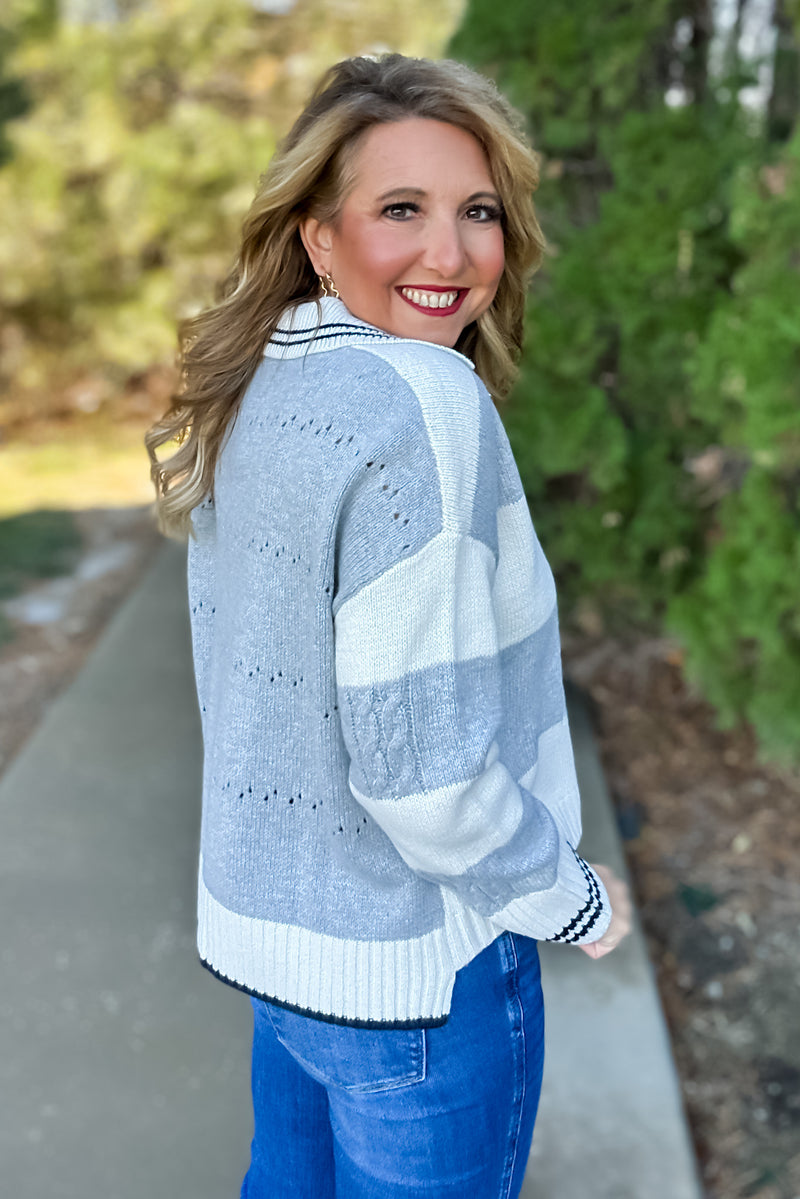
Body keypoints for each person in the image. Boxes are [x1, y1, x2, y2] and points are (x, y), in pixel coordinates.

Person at [146, 52, 632, 1199]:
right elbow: (421, 774)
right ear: (318, 235)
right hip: (419, 970)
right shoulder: (425, 402)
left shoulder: (259, 375)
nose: (449, 254)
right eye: (399, 210)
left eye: (477, 212)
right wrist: (565, 895)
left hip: (283, 956)